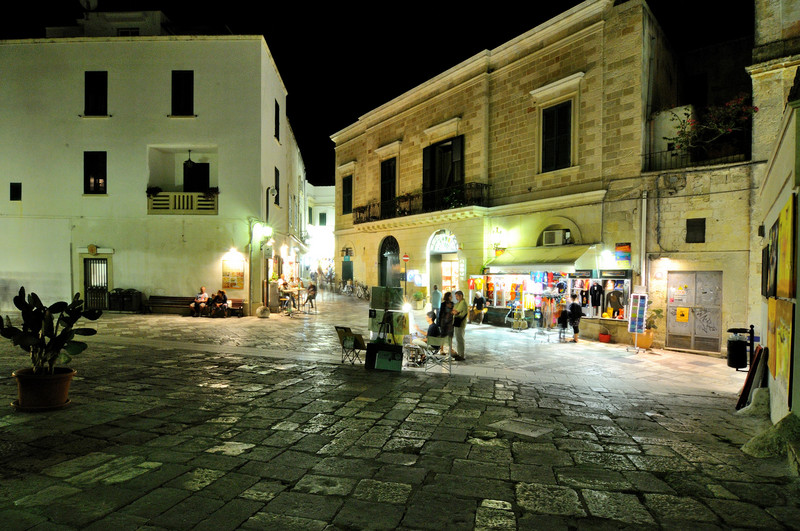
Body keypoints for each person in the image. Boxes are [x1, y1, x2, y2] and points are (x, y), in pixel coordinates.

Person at [452, 291, 468, 361]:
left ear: (461, 295)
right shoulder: (458, 303)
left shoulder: (463, 303)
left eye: (457, 296)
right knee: (458, 339)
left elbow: (455, 312)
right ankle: (459, 353)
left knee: (460, 339)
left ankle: (461, 354)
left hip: (460, 323)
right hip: (456, 322)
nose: (456, 298)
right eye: (456, 296)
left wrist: (455, 311)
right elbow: (453, 310)